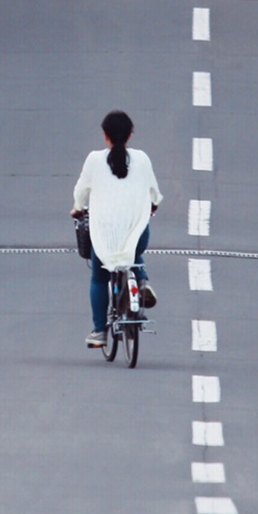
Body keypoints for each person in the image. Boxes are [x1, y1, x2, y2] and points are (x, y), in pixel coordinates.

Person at [71, 109, 162, 349]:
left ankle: (99, 332)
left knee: (99, 277)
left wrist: (77, 208)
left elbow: (80, 192)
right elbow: (155, 193)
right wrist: (152, 206)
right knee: (131, 247)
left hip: (103, 237)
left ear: (105, 136)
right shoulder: (142, 158)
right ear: (131, 135)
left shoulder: (94, 159)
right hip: (138, 235)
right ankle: (141, 282)